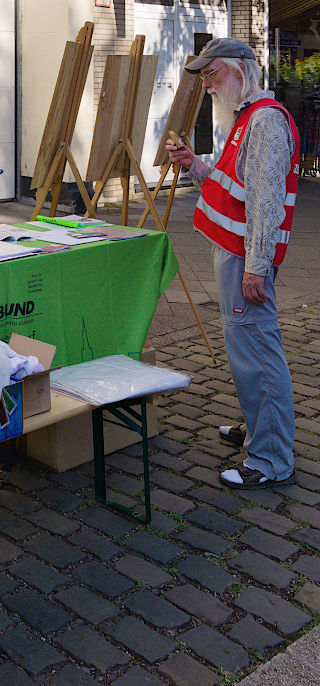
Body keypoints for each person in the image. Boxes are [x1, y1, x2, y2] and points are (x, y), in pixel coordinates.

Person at [166, 37, 299, 489]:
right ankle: (261, 431)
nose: (207, 87)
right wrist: (194, 165)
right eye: (203, 78)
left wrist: (257, 266)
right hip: (236, 252)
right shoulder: (249, 118)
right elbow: (237, 186)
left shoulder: (263, 121)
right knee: (247, 351)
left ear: (241, 71)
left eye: (212, 74)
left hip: (245, 257)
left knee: (257, 353)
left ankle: (271, 459)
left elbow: (266, 200)